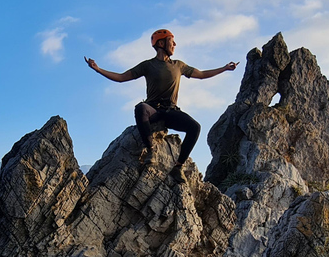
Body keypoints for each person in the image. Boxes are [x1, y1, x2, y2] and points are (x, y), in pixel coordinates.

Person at [85, 29, 238, 184]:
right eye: (172, 41)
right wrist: (98, 69)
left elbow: (202, 74)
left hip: (171, 111)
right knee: (140, 108)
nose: (175, 44)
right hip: (153, 110)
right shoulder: (148, 65)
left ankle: (178, 167)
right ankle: (151, 151)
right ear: (161, 43)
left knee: (195, 127)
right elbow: (122, 77)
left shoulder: (179, 65)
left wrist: (224, 68)